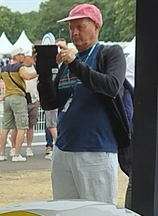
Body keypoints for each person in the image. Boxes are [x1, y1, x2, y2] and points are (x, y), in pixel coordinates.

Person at [36, 3, 127, 203]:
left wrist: (75, 64)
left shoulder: (110, 53)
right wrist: (44, 73)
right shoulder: (69, 62)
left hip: (96, 147)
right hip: (64, 147)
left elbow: (111, 86)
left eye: (80, 27)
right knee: (65, 213)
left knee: (98, 213)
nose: (75, 33)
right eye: (71, 28)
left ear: (96, 27)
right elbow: (51, 103)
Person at [0, 49, 33, 161]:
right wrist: (38, 73)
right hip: (18, 97)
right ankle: (16, 154)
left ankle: (2, 153)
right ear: (17, 56)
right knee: (22, 127)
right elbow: (26, 76)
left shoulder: (4, 69)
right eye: (22, 54)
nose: (24, 56)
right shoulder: (20, 67)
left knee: (5, 127)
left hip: (7, 98)